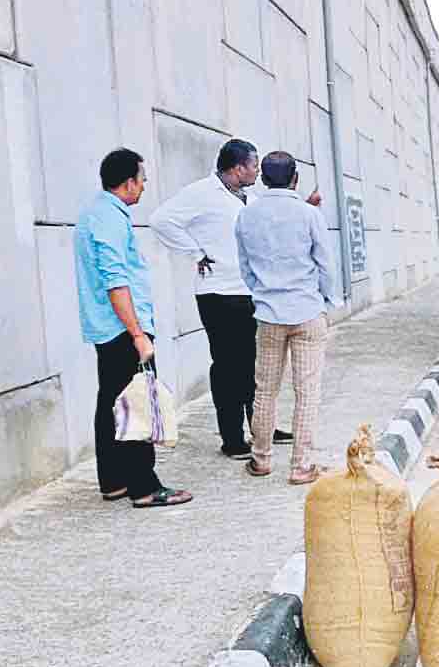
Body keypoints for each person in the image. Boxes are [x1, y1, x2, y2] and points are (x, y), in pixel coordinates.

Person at [150, 139, 294, 460]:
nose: (257, 171)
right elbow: (161, 220)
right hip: (219, 294)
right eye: (254, 165)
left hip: (249, 292)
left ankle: (261, 427)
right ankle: (232, 438)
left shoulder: (250, 198)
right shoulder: (202, 193)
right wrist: (196, 253)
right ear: (238, 167)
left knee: (254, 365)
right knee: (229, 367)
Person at [73, 148, 192, 508]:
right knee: (137, 402)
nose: (144, 186)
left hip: (107, 327)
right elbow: (116, 281)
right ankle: (144, 487)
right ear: (128, 183)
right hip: (122, 327)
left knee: (110, 401)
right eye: (142, 180)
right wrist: (138, 335)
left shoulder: (94, 213)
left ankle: (113, 481)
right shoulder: (110, 218)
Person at [235, 152, 341, 485]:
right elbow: (325, 264)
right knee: (307, 391)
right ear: (295, 179)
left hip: (269, 314)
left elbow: (245, 268)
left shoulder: (246, 215)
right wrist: (327, 299)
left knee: (265, 390)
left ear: (264, 179)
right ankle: (301, 466)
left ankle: (261, 459)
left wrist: (262, 292)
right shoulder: (309, 215)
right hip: (307, 311)